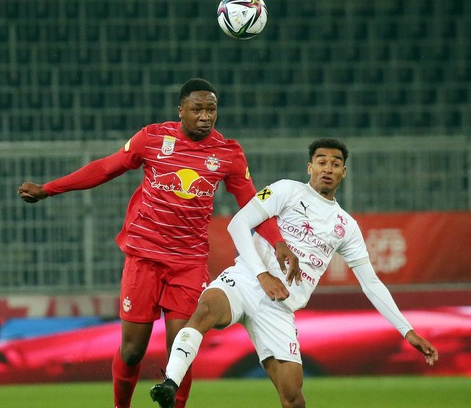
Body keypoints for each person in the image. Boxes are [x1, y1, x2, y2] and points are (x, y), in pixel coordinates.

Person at [17, 78, 299, 408]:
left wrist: (278, 242)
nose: (205, 116)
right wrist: (49, 188)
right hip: (144, 258)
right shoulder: (152, 138)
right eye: (197, 109)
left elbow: (252, 204)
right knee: (133, 350)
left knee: (183, 348)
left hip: (189, 264)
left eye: (211, 109)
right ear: (181, 111)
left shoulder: (228, 153)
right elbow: (106, 168)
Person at [150, 137, 439, 408]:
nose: (328, 168)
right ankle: (170, 383)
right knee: (204, 311)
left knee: (293, 398)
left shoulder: (345, 226)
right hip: (246, 280)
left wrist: (408, 331)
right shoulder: (286, 189)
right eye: (322, 161)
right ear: (309, 167)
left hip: (280, 308)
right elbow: (238, 224)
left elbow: (371, 284)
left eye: (335, 163)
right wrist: (263, 275)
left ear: (344, 172)